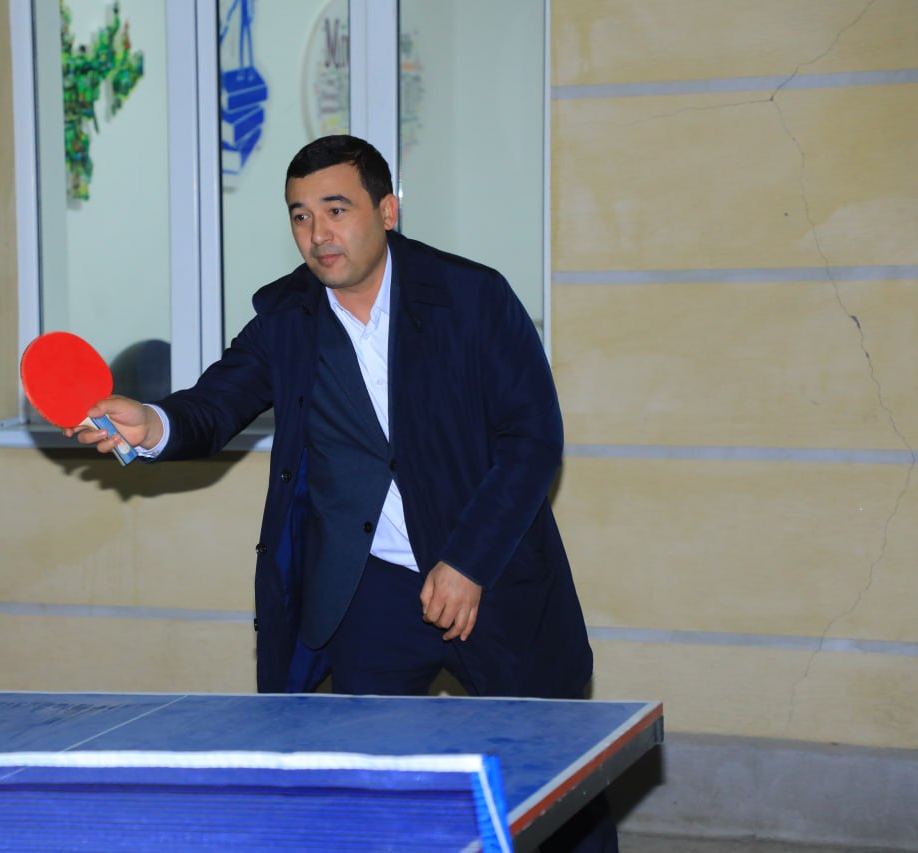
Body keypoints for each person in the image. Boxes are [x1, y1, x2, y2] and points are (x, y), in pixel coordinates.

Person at [71, 135, 614, 851]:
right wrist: (155, 423)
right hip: (368, 590)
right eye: (300, 216)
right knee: (369, 796)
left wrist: (468, 561)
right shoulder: (286, 317)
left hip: (488, 577)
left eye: (336, 209)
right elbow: (216, 402)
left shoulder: (473, 297)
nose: (318, 233)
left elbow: (532, 439)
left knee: (557, 785)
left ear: (387, 211)